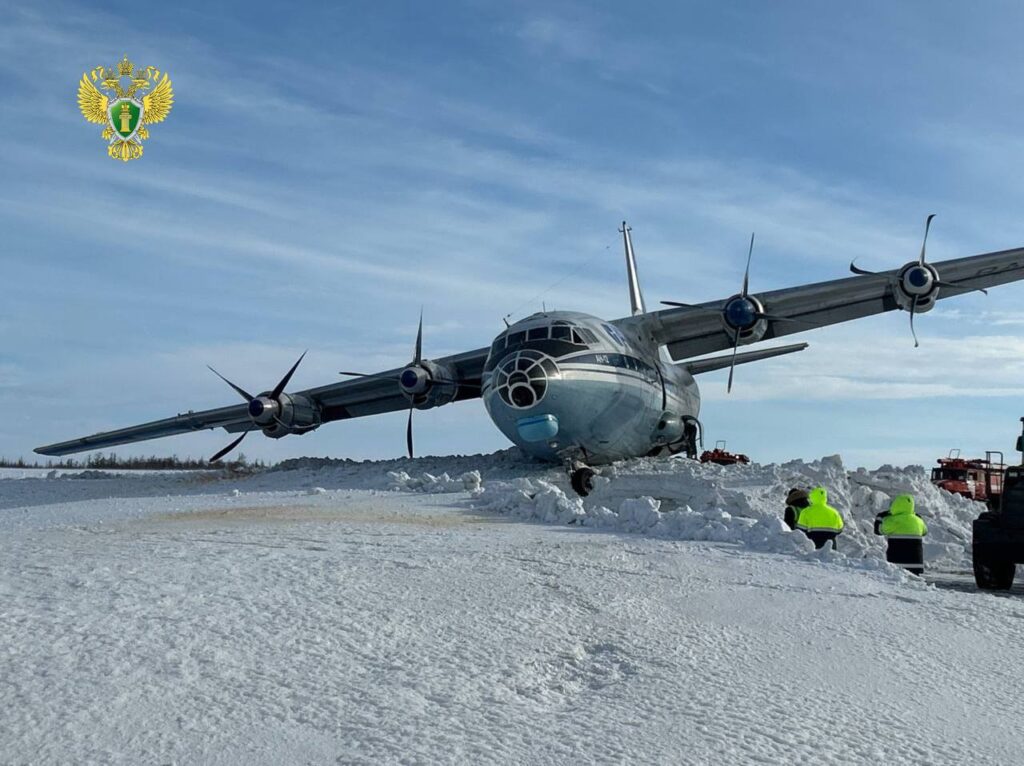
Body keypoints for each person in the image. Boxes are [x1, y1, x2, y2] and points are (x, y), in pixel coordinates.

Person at [874, 494, 928, 575]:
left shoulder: (892, 520)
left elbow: (878, 531)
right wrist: (918, 518)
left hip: (898, 566)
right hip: (916, 566)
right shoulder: (919, 521)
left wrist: (879, 517)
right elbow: (925, 532)